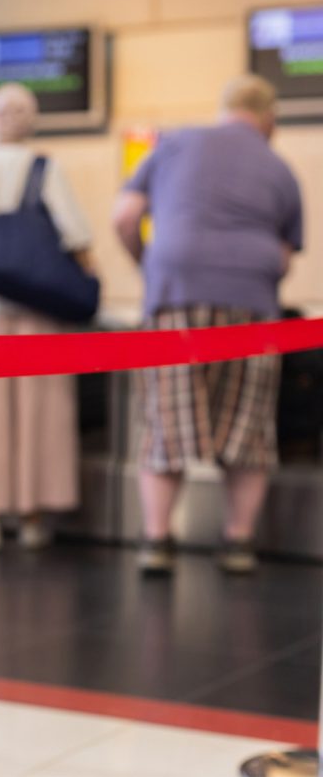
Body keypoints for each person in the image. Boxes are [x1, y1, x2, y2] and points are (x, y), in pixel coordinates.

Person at [113, 74, 303, 576]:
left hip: (175, 297)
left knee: (165, 420)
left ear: (223, 109)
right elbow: (285, 257)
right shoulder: (278, 166)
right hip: (253, 306)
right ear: (270, 119)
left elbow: (125, 216)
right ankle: (238, 544)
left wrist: (150, 267)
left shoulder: (175, 142)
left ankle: (156, 541)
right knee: (248, 426)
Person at [0, 83, 95, 554]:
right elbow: (77, 238)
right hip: (40, 307)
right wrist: (89, 287)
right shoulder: (44, 168)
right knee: (39, 409)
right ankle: (31, 515)